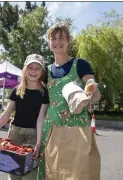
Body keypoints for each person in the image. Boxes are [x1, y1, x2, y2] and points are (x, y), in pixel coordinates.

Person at [38, 22, 101, 179]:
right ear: (49, 42)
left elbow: (96, 94)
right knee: (51, 172)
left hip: (77, 127)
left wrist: (86, 97)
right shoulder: (46, 71)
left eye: (61, 38)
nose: (57, 42)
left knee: (78, 172)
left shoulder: (80, 64)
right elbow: (44, 103)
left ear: (68, 41)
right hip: (51, 127)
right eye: (53, 38)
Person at [0, 54, 49, 180]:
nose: (34, 71)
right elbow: (6, 114)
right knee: (12, 172)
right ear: (25, 69)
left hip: (33, 135)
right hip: (15, 134)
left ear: (42, 72)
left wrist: (38, 142)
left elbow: (41, 119)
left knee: (30, 175)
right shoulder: (17, 90)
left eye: (38, 68)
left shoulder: (44, 92)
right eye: (30, 67)